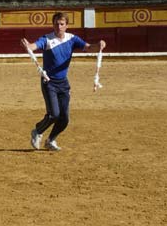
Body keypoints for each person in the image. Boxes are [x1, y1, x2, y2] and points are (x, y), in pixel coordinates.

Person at [20, 12, 106, 151]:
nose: (59, 26)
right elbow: (34, 46)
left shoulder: (72, 39)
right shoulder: (47, 39)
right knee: (54, 114)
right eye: (56, 24)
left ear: (66, 26)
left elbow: (89, 47)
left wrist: (100, 44)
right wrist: (28, 46)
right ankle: (37, 131)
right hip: (49, 82)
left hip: (63, 83)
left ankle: (51, 140)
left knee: (64, 118)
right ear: (53, 25)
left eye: (62, 24)